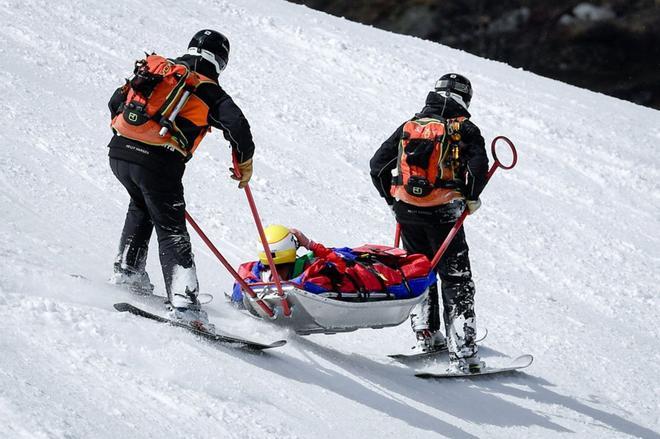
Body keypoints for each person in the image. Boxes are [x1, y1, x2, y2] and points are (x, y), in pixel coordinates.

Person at [107, 29, 255, 331]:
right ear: (221, 62)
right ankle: (184, 304)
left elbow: (115, 101)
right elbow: (238, 127)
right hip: (157, 163)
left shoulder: (161, 72)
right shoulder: (206, 88)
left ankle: (128, 271)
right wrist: (244, 163)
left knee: (142, 205)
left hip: (120, 153)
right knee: (171, 228)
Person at [369, 73, 489, 372]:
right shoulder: (465, 129)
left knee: (418, 270)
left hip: (406, 211)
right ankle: (464, 352)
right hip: (444, 214)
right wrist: (472, 198)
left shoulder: (410, 126)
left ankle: (426, 335)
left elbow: (376, 165)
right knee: (456, 279)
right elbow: (477, 169)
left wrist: (393, 200)